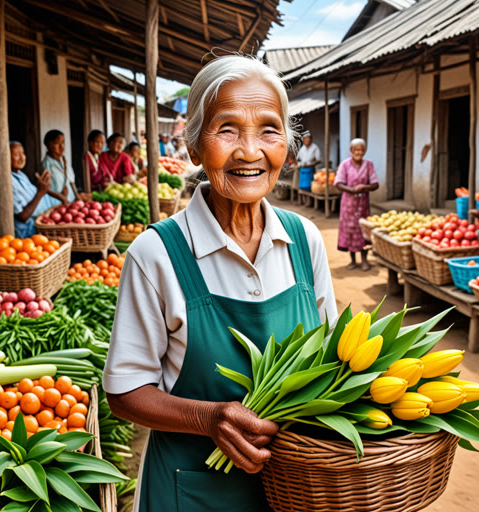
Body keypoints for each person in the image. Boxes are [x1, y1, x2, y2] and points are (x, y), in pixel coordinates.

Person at [103, 55, 338, 512]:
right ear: (193, 147)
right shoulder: (157, 253)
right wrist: (207, 418)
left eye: (269, 130)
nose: (249, 151)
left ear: (287, 148)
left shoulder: (303, 239)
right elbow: (125, 392)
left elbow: (331, 356)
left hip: (296, 489)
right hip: (190, 490)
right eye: (227, 129)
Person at [334, 138, 379, 271]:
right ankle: (353, 260)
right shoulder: (345, 164)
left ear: (364, 151)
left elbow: (376, 184)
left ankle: (364, 260)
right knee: (350, 231)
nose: (358, 152)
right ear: (351, 151)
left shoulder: (369, 165)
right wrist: (352, 190)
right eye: (356, 150)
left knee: (363, 230)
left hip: (363, 204)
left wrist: (364, 188)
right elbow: (338, 183)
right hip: (348, 204)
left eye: (361, 150)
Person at [10, 141, 62, 239]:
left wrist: (58, 196)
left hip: (43, 223)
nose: (22, 158)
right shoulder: (9, 181)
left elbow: (39, 191)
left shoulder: (21, 174)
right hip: (29, 234)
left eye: (23, 153)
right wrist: (40, 192)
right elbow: (23, 216)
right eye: (17, 154)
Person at [41, 129, 80, 204]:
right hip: (58, 204)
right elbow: (45, 188)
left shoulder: (64, 161)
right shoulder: (46, 164)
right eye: (57, 143)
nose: (62, 146)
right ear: (48, 144)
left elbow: (71, 181)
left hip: (72, 201)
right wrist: (61, 197)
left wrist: (77, 196)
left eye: (63, 142)